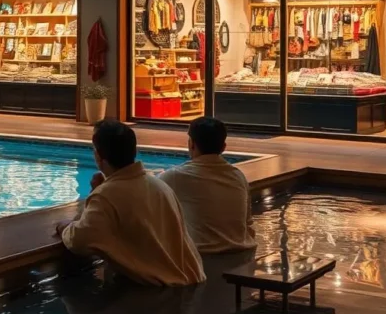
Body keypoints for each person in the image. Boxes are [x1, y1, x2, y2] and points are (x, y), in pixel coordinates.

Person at [55, 119, 204, 286]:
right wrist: (98, 192)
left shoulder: (107, 196)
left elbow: (79, 241)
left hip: (162, 291)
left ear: (98, 156)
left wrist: (64, 227)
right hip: (192, 280)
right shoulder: (159, 185)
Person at [158, 117, 256, 255]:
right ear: (223, 147)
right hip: (243, 256)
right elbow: (248, 225)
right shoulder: (238, 176)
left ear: (191, 144)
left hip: (203, 261)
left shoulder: (175, 176)